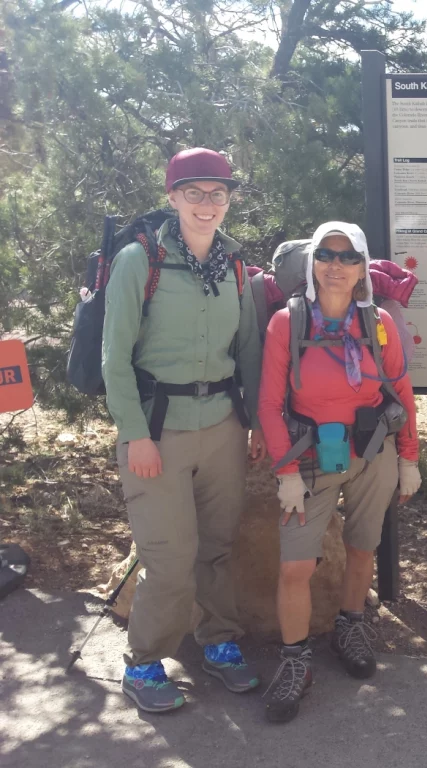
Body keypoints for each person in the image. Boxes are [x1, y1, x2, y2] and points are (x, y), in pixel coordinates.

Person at [102, 147, 265, 713]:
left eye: (217, 193)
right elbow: (114, 358)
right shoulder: (138, 260)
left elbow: (247, 351)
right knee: (169, 556)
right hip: (157, 429)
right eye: (193, 192)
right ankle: (144, 662)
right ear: (171, 196)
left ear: (229, 200)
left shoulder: (236, 266)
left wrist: (254, 423)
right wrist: (134, 434)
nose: (206, 203)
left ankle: (217, 643)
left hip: (222, 424)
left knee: (217, 547)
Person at [258, 221, 420, 724]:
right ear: (312, 263)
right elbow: (268, 403)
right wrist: (285, 470)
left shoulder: (378, 325)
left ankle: (350, 626)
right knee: (295, 566)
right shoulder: (288, 323)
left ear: (362, 268)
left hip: (372, 452)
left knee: (361, 546)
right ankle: (295, 659)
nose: (336, 266)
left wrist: (410, 459)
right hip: (309, 456)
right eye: (326, 255)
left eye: (349, 257)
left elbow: (402, 391)